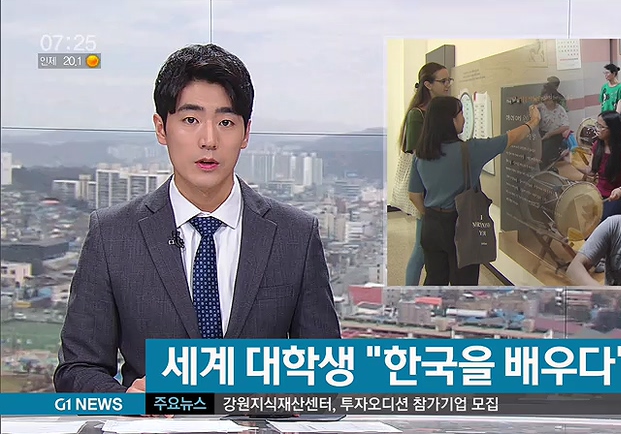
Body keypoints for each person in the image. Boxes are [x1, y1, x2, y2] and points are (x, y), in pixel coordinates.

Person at [54, 44, 341, 393]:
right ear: (162, 128)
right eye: (190, 120)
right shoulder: (113, 234)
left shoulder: (295, 234)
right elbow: (77, 369)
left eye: (225, 122)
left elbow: (326, 371)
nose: (209, 140)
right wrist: (128, 401)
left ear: (246, 133)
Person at [408, 96, 540, 286]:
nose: (464, 118)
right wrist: (533, 121)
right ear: (450, 120)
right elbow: (510, 138)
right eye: (461, 113)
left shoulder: (421, 154)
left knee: (435, 280)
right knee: (464, 283)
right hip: (461, 225)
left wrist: (433, 215)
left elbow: (414, 195)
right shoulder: (470, 150)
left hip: (431, 226)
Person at [394, 62, 450, 286]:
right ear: (428, 84)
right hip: (426, 188)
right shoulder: (417, 115)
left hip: (438, 187)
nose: (447, 85)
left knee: (427, 249)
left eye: (449, 80)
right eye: (443, 81)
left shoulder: (440, 111)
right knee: (420, 249)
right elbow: (421, 153)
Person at [574, 111, 621, 273]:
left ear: (611, 129)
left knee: (601, 221)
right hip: (599, 194)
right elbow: (591, 171)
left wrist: (619, 190)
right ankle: (597, 253)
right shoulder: (597, 145)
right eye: (597, 125)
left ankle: (602, 256)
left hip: (619, 197)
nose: (596, 129)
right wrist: (571, 162)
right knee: (582, 217)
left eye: (600, 126)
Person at [536, 86, 570, 170]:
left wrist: (550, 134)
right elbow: (531, 110)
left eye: (548, 100)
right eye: (544, 100)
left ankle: (547, 170)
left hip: (555, 135)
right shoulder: (540, 108)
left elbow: (566, 126)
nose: (545, 102)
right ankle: (544, 169)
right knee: (540, 149)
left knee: (546, 149)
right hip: (542, 133)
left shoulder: (560, 109)